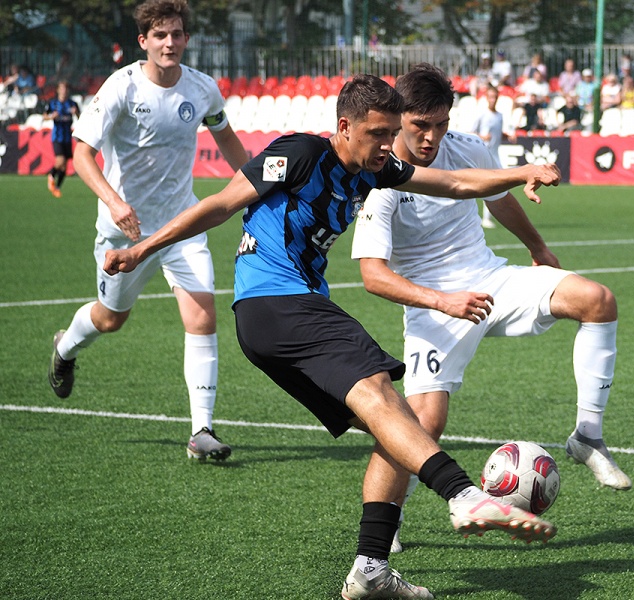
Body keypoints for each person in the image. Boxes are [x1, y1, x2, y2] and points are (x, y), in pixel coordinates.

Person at [103, 71, 561, 600]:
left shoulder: (378, 169)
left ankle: (371, 569)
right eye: (377, 134)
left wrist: (522, 171)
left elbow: (457, 184)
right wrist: (142, 249)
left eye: (391, 133)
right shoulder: (300, 153)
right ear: (344, 127)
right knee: (384, 397)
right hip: (279, 302)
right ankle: (464, 496)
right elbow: (221, 204)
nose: (387, 145)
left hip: (274, 321)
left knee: (395, 427)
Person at [350, 63, 629, 556]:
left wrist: (537, 247)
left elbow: (498, 200)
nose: (432, 137)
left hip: (492, 279)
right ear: (399, 119)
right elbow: (373, 277)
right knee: (421, 423)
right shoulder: (381, 180)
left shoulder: (468, 148)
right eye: (420, 125)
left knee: (597, 300)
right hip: (435, 305)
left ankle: (588, 436)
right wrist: (443, 300)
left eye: (441, 124)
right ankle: (388, 518)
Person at [48, 0, 248, 462]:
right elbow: (81, 155)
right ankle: (66, 347)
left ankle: (201, 431)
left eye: (176, 34)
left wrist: (261, 184)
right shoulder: (121, 87)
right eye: (160, 35)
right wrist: (115, 203)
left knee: (202, 316)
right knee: (110, 319)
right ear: (143, 41)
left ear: (186, 39)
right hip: (126, 232)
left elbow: (226, 138)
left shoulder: (202, 89)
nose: (169, 43)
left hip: (183, 224)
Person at [470, 85, 515, 228]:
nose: (492, 100)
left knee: (497, 187)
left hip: (495, 154)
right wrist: (482, 136)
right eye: (490, 97)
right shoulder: (482, 115)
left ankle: (488, 217)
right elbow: (470, 133)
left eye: (495, 97)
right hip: (483, 154)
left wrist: (507, 136)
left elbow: (498, 134)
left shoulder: (500, 116)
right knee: (487, 186)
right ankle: (482, 218)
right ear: (486, 98)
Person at [42, 81, 80, 198]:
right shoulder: (53, 103)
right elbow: (44, 116)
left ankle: (57, 188)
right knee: (60, 161)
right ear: (58, 90)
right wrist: (51, 116)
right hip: (57, 137)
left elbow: (80, 117)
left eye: (65, 89)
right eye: (62, 89)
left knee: (64, 166)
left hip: (68, 137)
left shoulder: (72, 103)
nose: (64, 91)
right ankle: (51, 176)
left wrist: (76, 113)